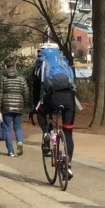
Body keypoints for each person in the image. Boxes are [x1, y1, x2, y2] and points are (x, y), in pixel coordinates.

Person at [31, 40, 78, 176]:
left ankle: (47, 133)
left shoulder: (40, 63)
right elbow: (73, 82)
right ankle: (68, 164)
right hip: (69, 98)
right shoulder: (63, 61)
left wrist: (35, 105)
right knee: (68, 132)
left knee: (40, 112)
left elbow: (35, 87)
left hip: (52, 97)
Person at [0, 55, 29, 156]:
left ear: (5, 65)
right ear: (15, 64)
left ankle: (10, 151)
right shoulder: (21, 77)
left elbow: (0, 93)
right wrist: (24, 103)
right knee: (18, 127)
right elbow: (26, 91)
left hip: (6, 105)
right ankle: (19, 142)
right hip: (18, 104)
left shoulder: (2, 77)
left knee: (7, 128)